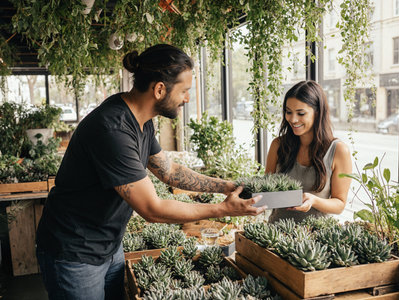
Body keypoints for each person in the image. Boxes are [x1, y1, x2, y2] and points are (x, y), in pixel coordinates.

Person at [36, 44, 266, 300]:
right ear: (159, 89)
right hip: (75, 253)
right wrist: (223, 210)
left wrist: (225, 186)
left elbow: (170, 172)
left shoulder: (141, 122)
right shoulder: (112, 130)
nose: (187, 99)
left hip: (109, 246)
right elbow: (151, 209)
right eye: (185, 91)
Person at [265, 80, 352, 223]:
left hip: (314, 238)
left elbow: (340, 204)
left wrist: (314, 200)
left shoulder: (338, 150)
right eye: (288, 112)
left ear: (317, 113)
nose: (293, 119)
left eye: (301, 113)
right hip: (274, 234)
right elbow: (266, 193)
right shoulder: (278, 145)